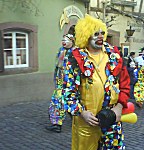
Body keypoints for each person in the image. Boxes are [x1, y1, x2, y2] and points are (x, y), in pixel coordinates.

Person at [52, 14, 130, 149]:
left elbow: (125, 84)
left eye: (102, 33)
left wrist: (119, 107)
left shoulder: (114, 56)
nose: (100, 36)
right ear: (86, 35)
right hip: (86, 121)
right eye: (96, 33)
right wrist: (82, 113)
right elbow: (68, 92)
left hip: (112, 119)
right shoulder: (75, 60)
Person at [45, 34, 74, 133]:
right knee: (57, 102)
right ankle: (57, 124)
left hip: (70, 83)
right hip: (60, 83)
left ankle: (75, 119)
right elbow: (58, 66)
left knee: (70, 101)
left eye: (66, 40)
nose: (63, 41)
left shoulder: (75, 53)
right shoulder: (61, 50)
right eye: (62, 39)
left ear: (72, 41)